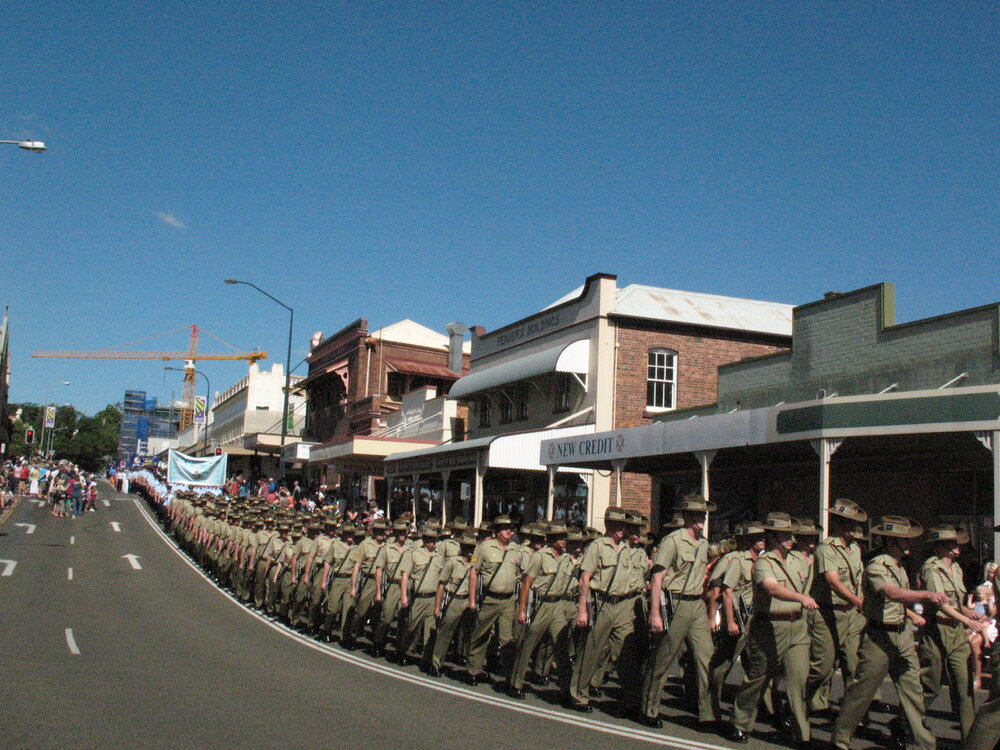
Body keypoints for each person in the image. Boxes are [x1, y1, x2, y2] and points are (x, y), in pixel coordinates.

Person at [831, 516, 949, 750]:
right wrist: (926, 595)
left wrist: (911, 614)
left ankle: (924, 744)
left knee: (913, 691)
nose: (908, 545)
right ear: (890, 541)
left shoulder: (899, 567)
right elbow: (891, 593)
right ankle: (840, 740)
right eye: (902, 541)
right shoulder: (877, 566)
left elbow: (899, 602)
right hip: (879, 638)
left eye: (908, 541)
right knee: (862, 693)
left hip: (902, 635)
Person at [726, 513, 817, 744]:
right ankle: (740, 722)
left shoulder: (799, 560)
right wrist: (800, 597)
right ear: (771, 536)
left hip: (797, 626)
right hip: (769, 626)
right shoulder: (763, 563)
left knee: (798, 681)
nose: (789, 538)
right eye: (784, 534)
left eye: (790, 533)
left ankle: (802, 734)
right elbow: (772, 588)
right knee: (758, 678)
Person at [639, 494, 717, 729]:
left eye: (703, 514)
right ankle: (648, 709)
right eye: (696, 514)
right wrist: (655, 613)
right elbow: (658, 578)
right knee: (663, 659)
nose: (701, 518)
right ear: (685, 516)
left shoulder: (703, 543)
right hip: (674, 603)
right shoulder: (673, 541)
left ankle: (708, 715)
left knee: (707, 657)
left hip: (697, 605)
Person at [568, 505, 645, 715]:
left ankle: (633, 701)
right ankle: (579, 695)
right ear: (608, 525)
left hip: (624, 606)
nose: (621, 528)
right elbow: (584, 579)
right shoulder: (598, 546)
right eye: (617, 524)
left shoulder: (629, 549)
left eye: (624, 525)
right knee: (591, 651)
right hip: (601, 604)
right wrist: (583, 611)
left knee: (626, 654)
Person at [919, 524, 986, 741]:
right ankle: (905, 720)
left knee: (964, 686)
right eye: (950, 543)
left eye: (956, 543)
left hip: (955, 631)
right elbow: (940, 604)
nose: (956, 548)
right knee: (932, 684)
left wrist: (968, 612)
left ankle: (970, 740)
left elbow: (955, 602)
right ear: (939, 546)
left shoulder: (956, 568)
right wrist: (966, 619)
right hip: (937, 631)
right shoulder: (931, 568)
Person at [806, 498, 868, 715]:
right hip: (828, 613)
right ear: (839, 523)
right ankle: (801, 702)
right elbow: (833, 581)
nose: (854, 528)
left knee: (853, 665)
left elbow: (857, 580)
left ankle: (851, 716)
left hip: (851, 614)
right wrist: (859, 602)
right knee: (822, 667)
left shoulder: (855, 549)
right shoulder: (827, 548)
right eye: (849, 523)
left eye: (855, 524)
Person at [709, 520, 765, 720]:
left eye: (764, 536)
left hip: (757, 617)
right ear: (748, 539)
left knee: (758, 666)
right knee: (724, 663)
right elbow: (721, 590)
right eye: (758, 537)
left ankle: (762, 709)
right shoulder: (735, 560)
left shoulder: (764, 561)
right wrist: (723, 619)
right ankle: (711, 705)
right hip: (739, 615)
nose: (763, 540)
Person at [466, 515, 522, 685]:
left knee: (507, 639)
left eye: (511, 528)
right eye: (505, 529)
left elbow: (519, 574)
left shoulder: (515, 549)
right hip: (490, 599)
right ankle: (474, 671)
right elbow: (474, 573)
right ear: (497, 531)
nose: (509, 532)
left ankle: (510, 678)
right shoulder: (484, 548)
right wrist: (472, 601)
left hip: (508, 600)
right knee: (481, 635)